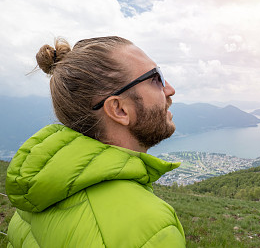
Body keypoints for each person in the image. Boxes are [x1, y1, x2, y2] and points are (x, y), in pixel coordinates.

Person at [5, 36, 186, 247]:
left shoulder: (37, 197)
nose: (170, 89)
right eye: (156, 79)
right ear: (119, 109)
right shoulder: (152, 228)